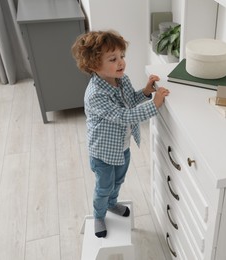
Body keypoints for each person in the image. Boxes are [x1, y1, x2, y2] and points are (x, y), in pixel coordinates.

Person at [71, 30, 169, 238]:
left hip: (122, 147)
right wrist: (155, 104)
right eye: (113, 59)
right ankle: (99, 215)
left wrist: (145, 91)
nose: (121, 62)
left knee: (118, 181)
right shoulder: (96, 94)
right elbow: (124, 115)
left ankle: (112, 204)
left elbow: (130, 101)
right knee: (103, 186)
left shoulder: (121, 79)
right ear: (94, 66)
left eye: (122, 56)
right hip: (103, 152)